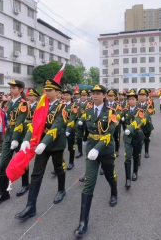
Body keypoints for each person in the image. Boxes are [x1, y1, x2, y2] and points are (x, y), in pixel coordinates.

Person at [14, 79, 67, 221]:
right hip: (40, 145)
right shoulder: (41, 105)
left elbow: (57, 126)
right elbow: (34, 124)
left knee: (59, 168)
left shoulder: (63, 107)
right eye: (46, 90)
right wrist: (26, 139)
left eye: (50, 90)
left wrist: (44, 143)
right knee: (36, 174)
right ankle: (30, 207)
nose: (47, 92)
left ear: (58, 92)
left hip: (55, 144)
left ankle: (61, 190)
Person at [74, 84, 118, 238]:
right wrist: (82, 138)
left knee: (109, 175)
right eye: (93, 93)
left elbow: (109, 133)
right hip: (91, 150)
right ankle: (83, 223)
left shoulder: (112, 112)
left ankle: (114, 191)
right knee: (89, 182)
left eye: (98, 93)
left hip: (105, 150)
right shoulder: (87, 112)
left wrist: (97, 148)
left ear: (104, 96)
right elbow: (79, 125)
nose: (95, 95)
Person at [0, 80, 30, 206]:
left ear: (20, 90)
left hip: (19, 136)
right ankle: (4, 193)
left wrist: (15, 138)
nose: (11, 90)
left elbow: (20, 121)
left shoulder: (23, 104)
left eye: (14, 88)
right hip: (9, 136)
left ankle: (25, 184)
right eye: (11, 87)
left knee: (22, 163)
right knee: (3, 164)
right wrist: (10, 136)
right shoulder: (9, 103)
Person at [122, 89, 144, 189]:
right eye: (129, 99)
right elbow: (120, 119)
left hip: (136, 136)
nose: (131, 101)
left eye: (133, 99)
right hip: (127, 137)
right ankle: (127, 179)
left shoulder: (139, 111)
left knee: (136, 155)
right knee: (127, 156)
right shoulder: (125, 111)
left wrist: (130, 128)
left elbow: (138, 121)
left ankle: (135, 172)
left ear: (136, 101)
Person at [138, 88, 155, 159]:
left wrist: (144, 120)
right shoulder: (136, 104)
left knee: (146, 139)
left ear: (147, 96)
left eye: (143, 95)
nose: (141, 97)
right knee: (138, 140)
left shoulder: (149, 105)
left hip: (147, 125)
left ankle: (146, 151)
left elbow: (149, 114)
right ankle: (138, 154)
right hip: (138, 125)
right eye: (140, 95)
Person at [62, 89, 76, 170]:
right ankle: (61, 164)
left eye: (67, 95)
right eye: (64, 95)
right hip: (61, 128)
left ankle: (71, 162)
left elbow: (72, 118)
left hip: (70, 128)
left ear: (71, 96)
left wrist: (68, 129)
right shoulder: (60, 105)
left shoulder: (74, 106)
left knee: (71, 146)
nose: (65, 96)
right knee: (60, 146)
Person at [106, 89, 122, 158]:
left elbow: (118, 114)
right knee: (107, 137)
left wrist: (115, 120)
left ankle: (117, 150)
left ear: (115, 97)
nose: (110, 97)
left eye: (112, 96)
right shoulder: (104, 105)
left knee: (116, 138)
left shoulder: (117, 106)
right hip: (106, 124)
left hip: (115, 124)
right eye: (109, 96)